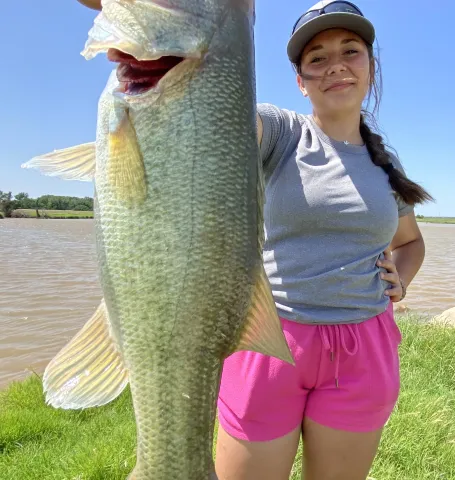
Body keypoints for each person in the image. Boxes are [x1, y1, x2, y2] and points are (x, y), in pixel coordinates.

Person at [76, 1, 432, 479]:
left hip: (363, 350)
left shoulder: (386, 165)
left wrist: (400, 280)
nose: (336, 65)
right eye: (317, 57)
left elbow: (410, 242)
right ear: (300, 80)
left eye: (350, 51)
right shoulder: (280, 131)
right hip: (269, 341)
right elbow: (210, 115)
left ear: (371, 66)